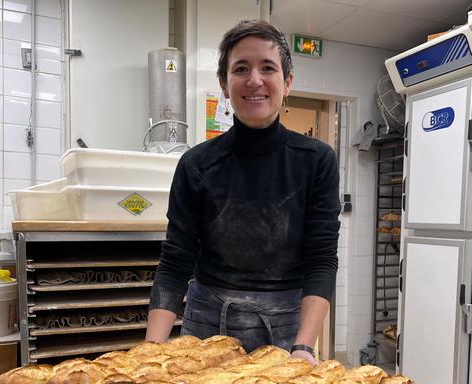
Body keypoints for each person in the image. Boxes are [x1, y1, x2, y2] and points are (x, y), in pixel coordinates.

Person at [145, 19, 340, 366]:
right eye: (241, 68)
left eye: (268, 68)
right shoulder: (197, 164)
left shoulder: (316, 161)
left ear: (287, 81)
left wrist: (304, 347)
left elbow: (321, 260)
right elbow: (175, 263)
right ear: (224, 84)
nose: (254, 80)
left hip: (287, 329)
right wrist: (150, 354)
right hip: (206, 325)